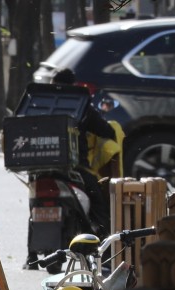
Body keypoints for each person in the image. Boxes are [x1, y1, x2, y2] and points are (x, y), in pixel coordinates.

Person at [52, 68, 117, 237]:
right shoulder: (80, 104)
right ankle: (105, 249)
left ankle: (31, 256)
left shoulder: (39, 101)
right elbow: (106, 131)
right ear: (73, 85)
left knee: (36, 204)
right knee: (98, 204)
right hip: (76, 169)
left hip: (42, 170)